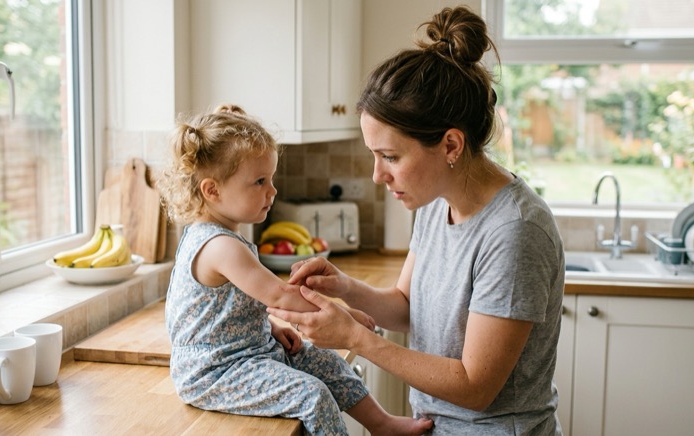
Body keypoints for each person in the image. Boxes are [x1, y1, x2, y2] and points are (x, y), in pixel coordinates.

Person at [268, 6, 564, 435]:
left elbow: (475, 386)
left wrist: (355, 337)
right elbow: (409, 309)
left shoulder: (515, 231)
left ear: (450, 145)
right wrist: (346, 287)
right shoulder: (433, 201)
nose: (377, 175)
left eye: (390, 156)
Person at [158, 104, 433, 435]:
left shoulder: (223, 235)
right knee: (312, 395)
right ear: (212, 190)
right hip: (214, 373)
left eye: (270, 179)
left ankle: (382, 424)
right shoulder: (220, 246)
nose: (272, 191)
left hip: (248, 352)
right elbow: (278, 294)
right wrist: (344, 317)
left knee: (328, 363)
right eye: (259, 181)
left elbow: (232, 310)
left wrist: (270, 327)